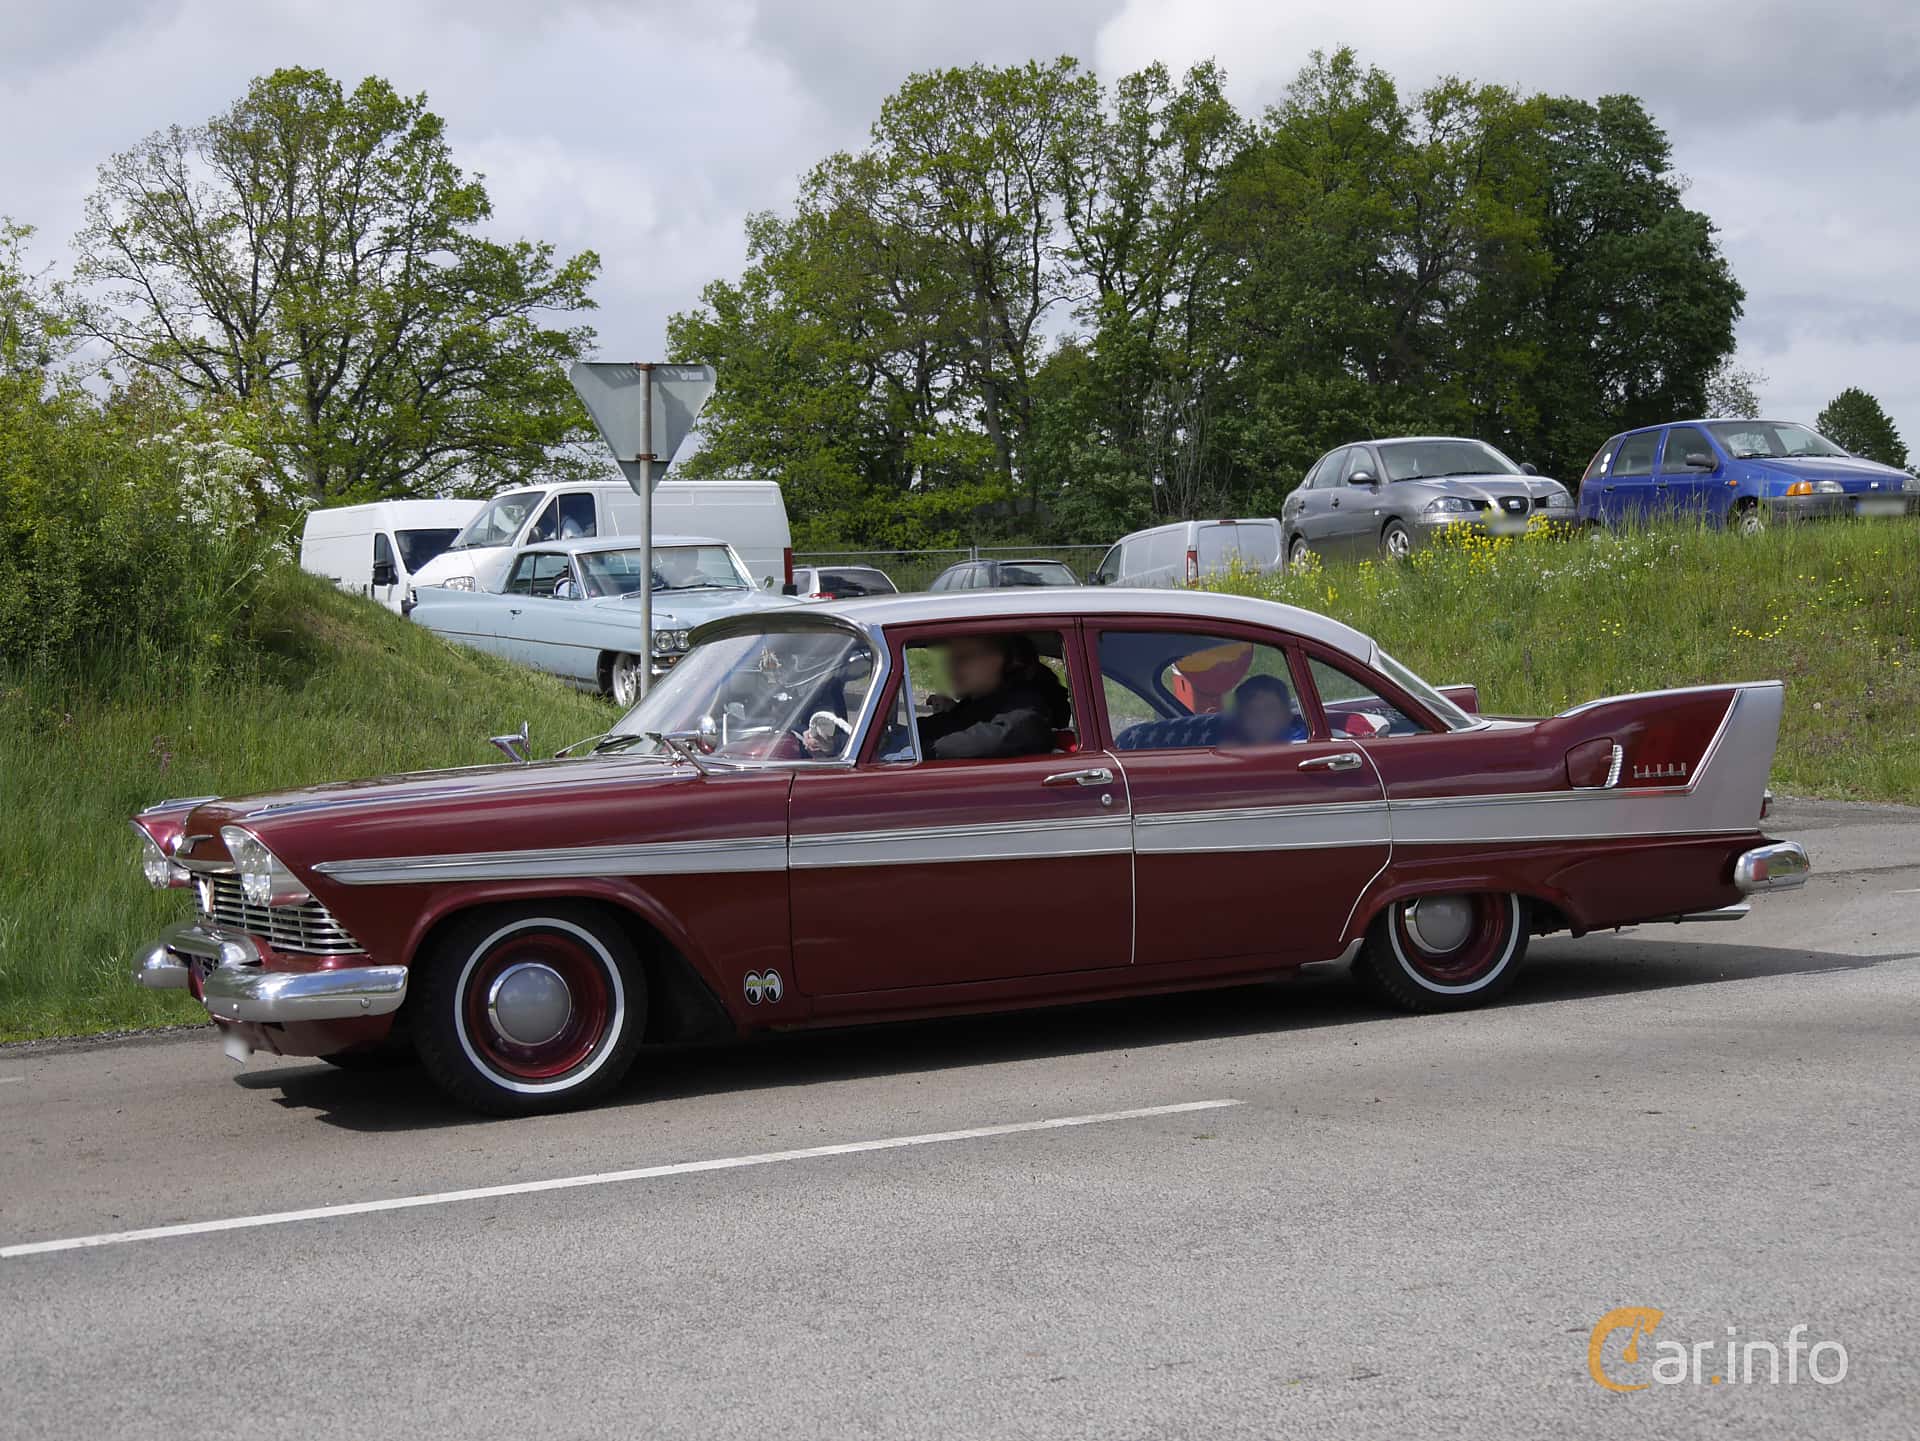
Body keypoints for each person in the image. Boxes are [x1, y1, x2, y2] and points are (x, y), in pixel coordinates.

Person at [918, 634, 1071, 760]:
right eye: (952, 656)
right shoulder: (977, 704)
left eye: (967, 656)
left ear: (1011, 662)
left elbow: (994, 739)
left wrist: (920, 750)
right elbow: (946, 724)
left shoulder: (1024, 710)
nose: (952, 665)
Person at [1223, 673, 1304, 746]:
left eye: (1269, 710)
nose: (1260, 718)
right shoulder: (1223, 739)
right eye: (1251, 711)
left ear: (1286, 715)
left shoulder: (1301, 743)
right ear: (1240, 718)